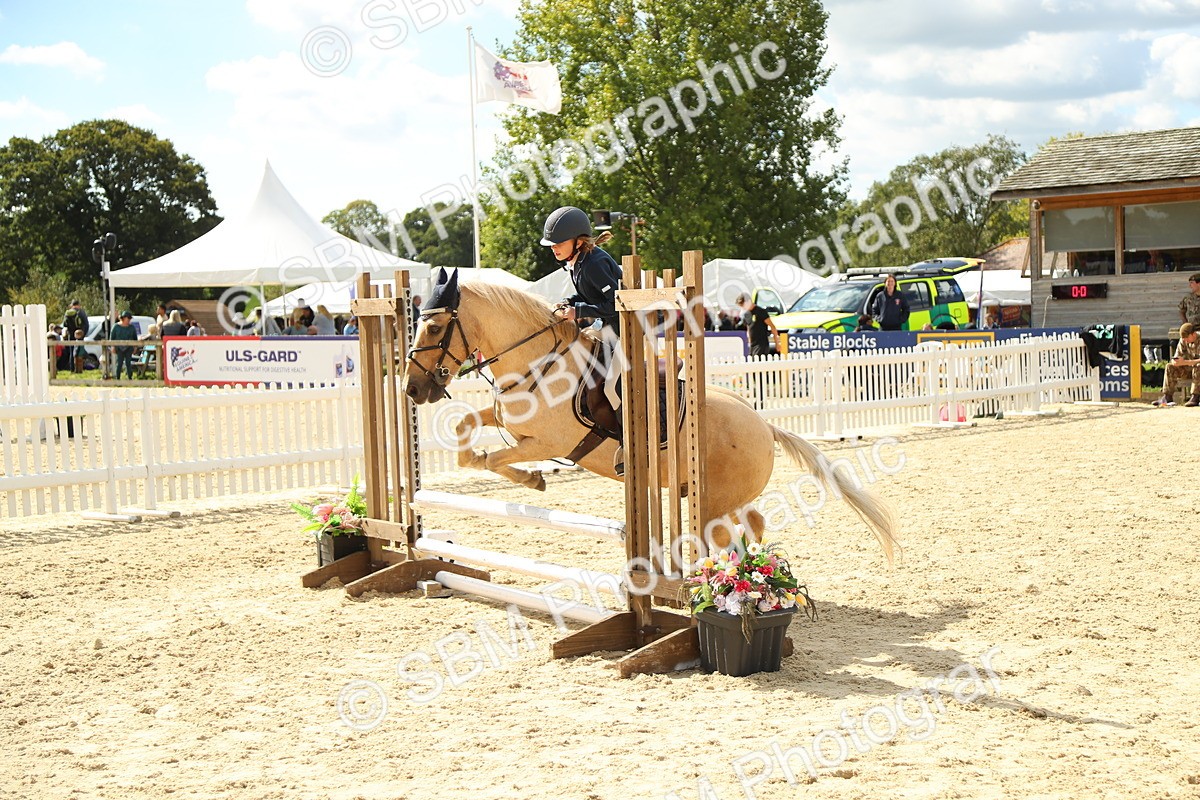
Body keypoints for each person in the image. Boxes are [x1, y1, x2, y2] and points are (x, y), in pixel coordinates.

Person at [542, 205, 623, 470]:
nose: (553, 248)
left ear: (578, 241)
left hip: (630, 328)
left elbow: (614, 303)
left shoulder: (596, 262)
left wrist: (578, 311)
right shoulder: (578, 262)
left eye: (558, 243)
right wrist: (569, 302)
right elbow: (590, 297)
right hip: (609, 327)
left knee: (611, 386)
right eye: (551, 244)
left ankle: (627, 443)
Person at [1155, 322, 1200, 407]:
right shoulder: (1183, 341)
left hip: (1198, 371)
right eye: (1183, 338)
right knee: (1169, 366)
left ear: (1193, 334)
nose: (1185, 340)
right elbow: (1177, 356)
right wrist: (1176, 362)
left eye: (1187, 338)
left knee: (1198, 366)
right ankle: (1167, 396)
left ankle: (1195, 397)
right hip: (1189, 370)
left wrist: (1186, 362)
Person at [110, 310, 139, 380]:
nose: (129, 320)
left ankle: (130, 377)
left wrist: (135, 347)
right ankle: (117, 378)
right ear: (123, 318)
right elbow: (112, 338)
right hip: (119, 348)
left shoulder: (131, 327)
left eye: (130, 318)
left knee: (128, 363)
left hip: (129, 348)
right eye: (128, 318)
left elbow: (135, 338)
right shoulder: (116, 327)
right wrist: (113, 346)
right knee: (119, 363)